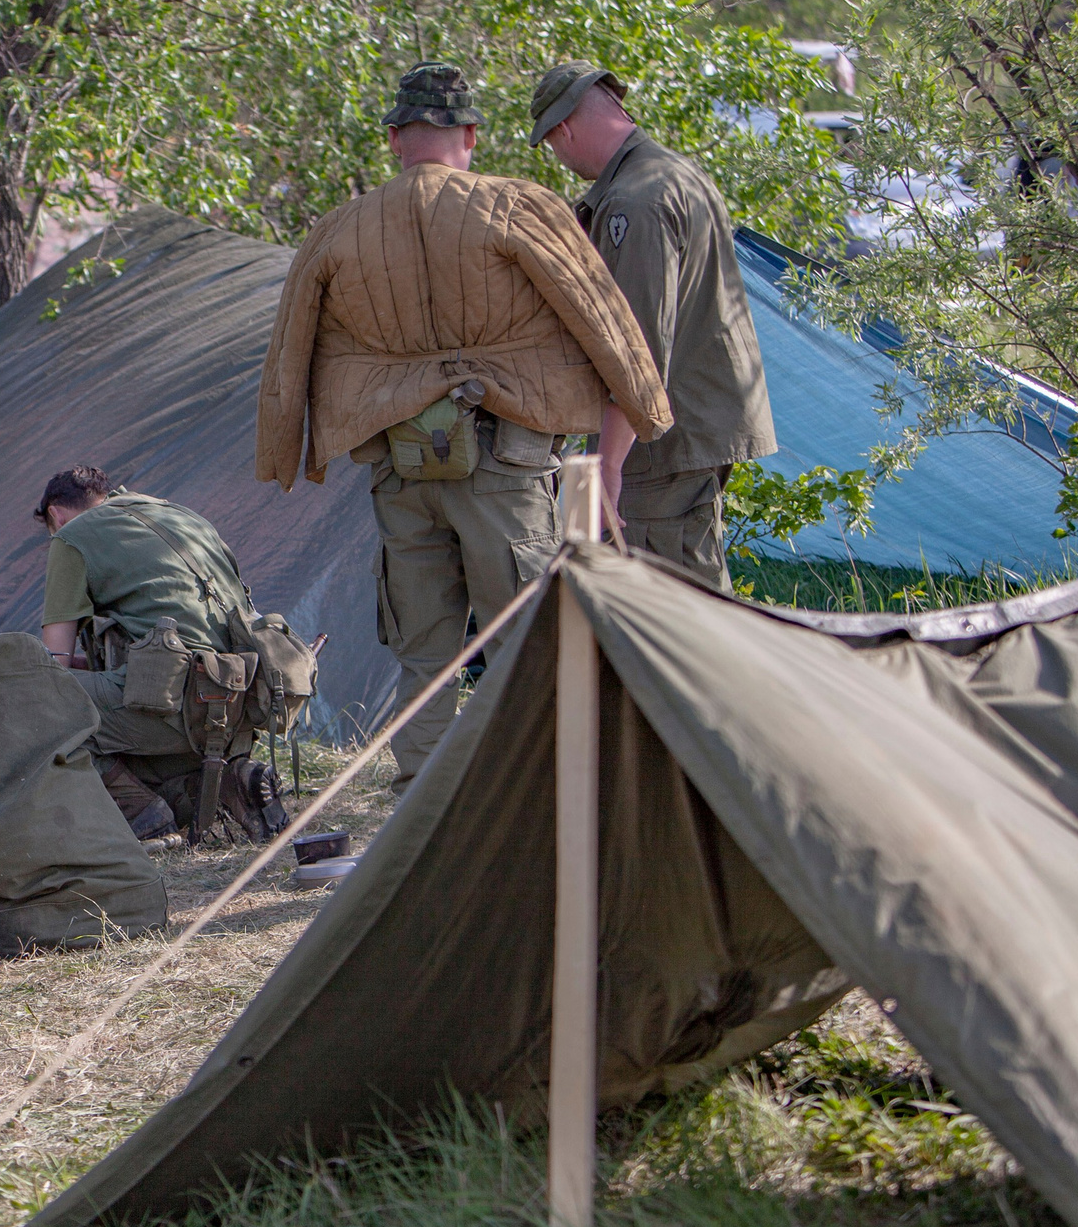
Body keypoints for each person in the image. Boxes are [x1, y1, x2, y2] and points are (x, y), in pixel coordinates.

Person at [257, 62, 672, 787]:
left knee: (423, 650)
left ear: (394, 139)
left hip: (401, 469)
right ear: (471, 135)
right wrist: (644, 407)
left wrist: (284, 454)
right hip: (503, 462)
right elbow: (605, 319)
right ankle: (537, 792)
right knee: (524, 639)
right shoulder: (519, 207)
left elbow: (287, 350)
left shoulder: (337, 230)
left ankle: (425, 799)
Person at [532, 63, 776, 588]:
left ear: (563, 131)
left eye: (553, 146)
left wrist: (607, 462)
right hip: (690, 420)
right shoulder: (673, 172)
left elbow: (636, 345)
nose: (562, 159)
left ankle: (726, 675)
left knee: (674, 602)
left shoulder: (632, 201)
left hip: (658, 438)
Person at [35, 467, 274, 841]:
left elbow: (53, 665)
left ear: (55, 515)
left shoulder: (71, 536)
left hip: (173, 710)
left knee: (34, 704)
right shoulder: (180, 515)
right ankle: (230, 784)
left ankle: (140, 812)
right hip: (240, 704)